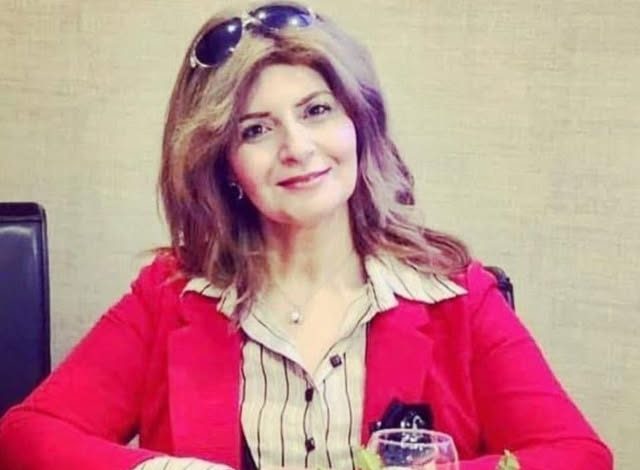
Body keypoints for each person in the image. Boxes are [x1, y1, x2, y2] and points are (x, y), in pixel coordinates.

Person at [0, 2, 612, 469]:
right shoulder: (169, 295)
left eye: (317, 111)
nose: (296, 148)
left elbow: (579, 456)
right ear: (224, 164)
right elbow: (25, 436)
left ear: (358, 122)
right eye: (256, 130)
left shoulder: (458, 297)